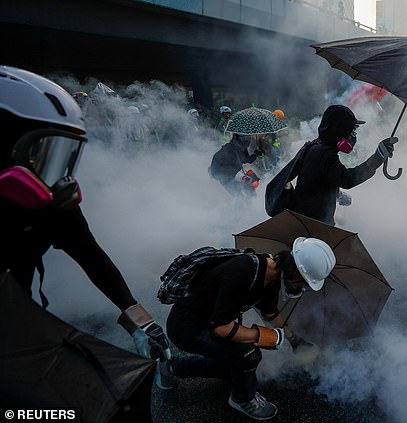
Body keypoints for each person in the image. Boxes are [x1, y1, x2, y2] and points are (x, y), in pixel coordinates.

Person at [0, 66, 174, 388]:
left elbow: (90, 254)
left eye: (64, 156)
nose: (59, 177)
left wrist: (139, 320)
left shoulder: (52, 199)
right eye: (44, 152)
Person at [163, 237, 336, 420]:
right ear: (295, 272)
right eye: (305, 284)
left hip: (210, 321)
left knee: (232, 369)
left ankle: (172, 367)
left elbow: (269, 314)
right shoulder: (243, 271)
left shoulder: (274, 274)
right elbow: (221, 329)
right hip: (187, 327)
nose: (302, 289)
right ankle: (242, 399)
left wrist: (294, 340)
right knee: (247, 355)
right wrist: (264, 336)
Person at [288, 104, 398, 225]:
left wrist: (336, 194)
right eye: (351, 131)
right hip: (312, 223)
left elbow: (318, 180)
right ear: (339, 130)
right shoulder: (325, 153)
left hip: (305, 219)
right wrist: (378, 157)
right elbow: (347, 180)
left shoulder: (317, 147)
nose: (353, 135)